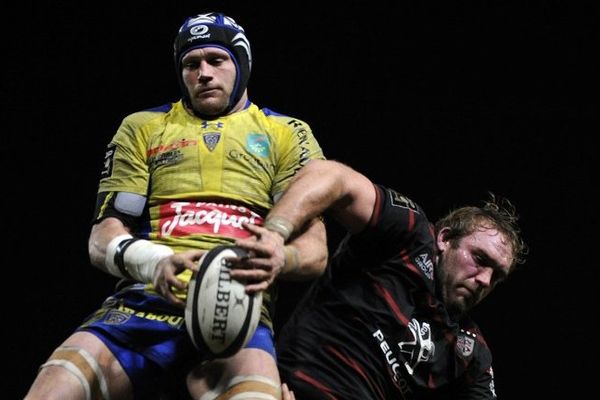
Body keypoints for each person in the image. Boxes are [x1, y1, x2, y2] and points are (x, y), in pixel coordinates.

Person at [25, 11, 327, 400]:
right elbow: (102, 237)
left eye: (216, 60)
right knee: (55, 382)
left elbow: (317, 251)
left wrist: (278, 259)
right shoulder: (143, 127)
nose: (203, 73)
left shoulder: (287, 133)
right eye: (191, 63)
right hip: (143, 301)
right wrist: (154, 262)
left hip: (234, 313)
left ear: (241, 64)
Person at [233, 159, 528, 399]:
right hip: (291, 388)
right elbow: (331, 175)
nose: (486, 280)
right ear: (445, 238)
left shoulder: (471, 354)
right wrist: (275, 233)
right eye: (480, 259)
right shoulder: (409, 236)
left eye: (497, 276)